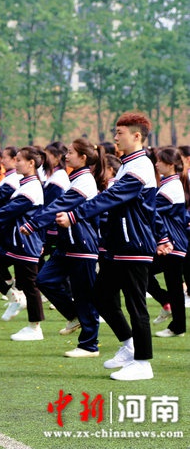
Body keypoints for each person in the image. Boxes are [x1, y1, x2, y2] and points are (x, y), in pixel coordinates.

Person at [56, 112, 172, 381]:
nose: (115, 136)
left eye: (120, 133)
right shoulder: (126, 165)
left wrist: (74, 215)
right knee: (102, 297)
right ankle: (129, 346)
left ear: (137, 136)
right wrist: (162, 236)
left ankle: (143, 363)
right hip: (117, 246)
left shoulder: (140, 166)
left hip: (134, 246)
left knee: (136, 305)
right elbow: (148, 210)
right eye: (116, 132)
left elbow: (111, 197)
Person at [20, 138, 107, 357]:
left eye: (70, 152)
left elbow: (60, 205)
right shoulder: (73, 177)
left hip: (82, 245)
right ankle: (73, 315)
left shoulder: (85, 181)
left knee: (84, 295)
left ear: (83, 158)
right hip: (66, 245)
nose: (66, 156)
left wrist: (34, 223)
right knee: (44, 280)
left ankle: (89, 345)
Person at [0, 146, 46, 341]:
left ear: (31, 163)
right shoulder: (24, 184)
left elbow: (11, 210)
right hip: (13, 243)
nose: (16, 163)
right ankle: (15, 297)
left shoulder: (32, 186)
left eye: (20, 160)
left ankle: (35, 328)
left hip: (25, 243)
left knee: (30, 285)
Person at [148, 147, 188, 338]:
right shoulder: (168, 184)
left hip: (173, 245)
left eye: (160, 161)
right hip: (172, 244)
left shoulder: (171, 186)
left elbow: (150, 209)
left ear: (170, 164)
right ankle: (175, 320)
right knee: (172, 284)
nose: (156, 164)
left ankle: (177, 324)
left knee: (145, 272)